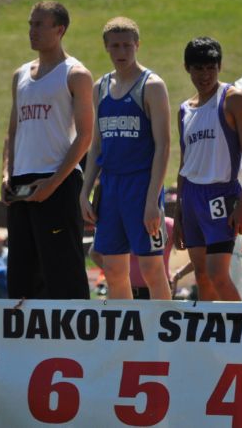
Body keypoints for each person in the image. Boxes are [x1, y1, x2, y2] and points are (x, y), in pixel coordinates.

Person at [3, 0, 93, 300]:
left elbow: (85, 137)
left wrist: (53, 184)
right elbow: (13, 131)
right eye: (31, 24)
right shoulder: (20, 75)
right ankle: (26, 343)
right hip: (21, 184)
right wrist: (6, 174)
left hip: (58, 181)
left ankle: (72, 344)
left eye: (39, 25)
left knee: (62, 271)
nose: (32, 31)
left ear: (60, 29)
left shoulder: (75, 74)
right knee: (22, 272)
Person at [79, 17, 171, 300]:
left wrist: (153, 201)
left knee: (151, 268)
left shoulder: (152, 85)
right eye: (115, 45)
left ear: (137, 45)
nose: (122, 51)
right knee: (114, 269)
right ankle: (127, 340)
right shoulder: (100, 87)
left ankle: (164, 339)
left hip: (141, 185)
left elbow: (163, 145)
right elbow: (96, 147)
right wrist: (84, 192)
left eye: (127, 45)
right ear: (106, 47)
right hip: (110, 188)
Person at [172, 37, 242, 301]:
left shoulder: (234, 99)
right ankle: (210, 335)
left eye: (211, 67)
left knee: (219, 274)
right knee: (201, 275)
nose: (205, 75)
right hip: (191, 198)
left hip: (222, 194)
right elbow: (185, 163)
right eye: (198, 68)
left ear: (219, 66)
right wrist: (178, 216)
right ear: (187, 68)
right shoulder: (185, 110)